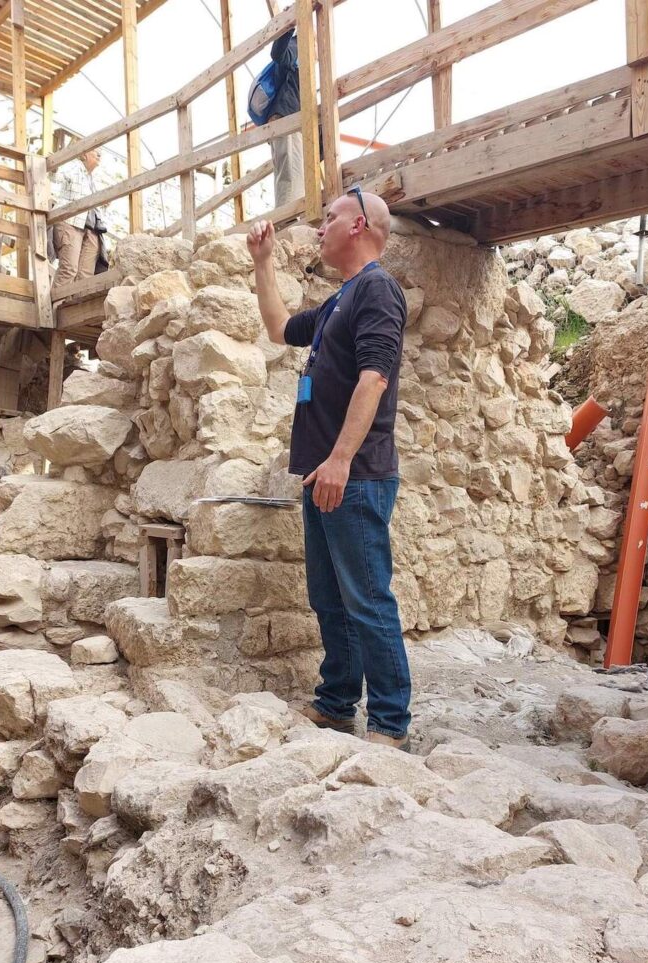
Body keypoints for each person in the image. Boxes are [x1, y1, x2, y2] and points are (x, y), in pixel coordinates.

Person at [247, 189, 413, 750]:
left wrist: (341, 459)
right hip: (324, 475)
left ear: (360, 224)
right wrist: (263, 264)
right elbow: (276, 329)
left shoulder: (378, 290)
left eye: (330, 219)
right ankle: (336, 703)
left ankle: (391, 722)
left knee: (367, 598)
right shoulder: (339, 299)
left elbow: (374, 379)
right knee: (329, 597)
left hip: (356, 475)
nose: (320, 230)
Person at [49, 147, 108, 291]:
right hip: (70, 223)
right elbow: (56, 176)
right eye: (95, 150)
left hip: (87, 227)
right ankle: (55, 307)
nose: (99, 154)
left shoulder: (91, 178)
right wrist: (53, 166)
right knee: (69, 268)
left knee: (84, 273)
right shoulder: (73, 167)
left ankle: (74, 306)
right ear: (84, 154)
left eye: (100, 152)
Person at [267, 28, 303, 207]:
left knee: (291, 173)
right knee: (290, 175)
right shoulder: (298, 46)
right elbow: (277, 53)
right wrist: (289, 25)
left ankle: (289, 217)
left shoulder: (301, 55)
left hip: (287, 119)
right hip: (286, 118)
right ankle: (287, 221)